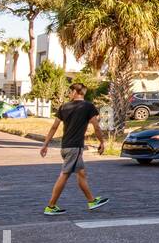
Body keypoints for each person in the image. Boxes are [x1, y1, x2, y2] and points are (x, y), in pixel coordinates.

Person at [39, 83, 110, 215]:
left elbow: (54, 127)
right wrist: (102, 142)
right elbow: (96, 126)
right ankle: (51, 206)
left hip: (66, 146)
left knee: (81, 173)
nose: (69, 93)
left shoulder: (64, 107)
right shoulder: (88, 106)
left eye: (70, 91)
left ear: (76, 92)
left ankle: (91, 201)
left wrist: (45, 144)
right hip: (74, 147)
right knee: (64, 175)